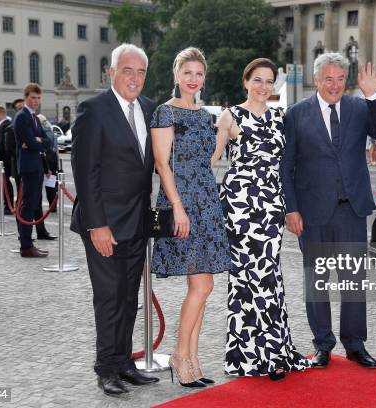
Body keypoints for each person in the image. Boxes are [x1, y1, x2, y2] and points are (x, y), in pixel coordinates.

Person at [281, 53, 376, 370]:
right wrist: (291, 209)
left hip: (352, 211)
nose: (335, 85)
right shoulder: (296, 114)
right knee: (317, 282)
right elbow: (285, 167)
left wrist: (373, 95)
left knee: (353, 282)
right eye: (328, 79)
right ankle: (322, 345)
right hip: (312, 213)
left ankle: (355, 345)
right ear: (316, 80)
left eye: (341, 79)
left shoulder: (360, 108)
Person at [70, 43, 160, 396]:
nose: (134, 78)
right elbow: (85, 170)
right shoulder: (94, 110)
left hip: (136, 222)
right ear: (111, 72)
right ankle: (106, 368)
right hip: (104, 224)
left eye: (140, 72)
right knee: (109, 297)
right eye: (127, 70)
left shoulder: (151, 109)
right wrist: (97, 225)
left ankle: (124, 362)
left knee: (128, 297)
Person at [215, 58, 310, 381]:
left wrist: (290, 204)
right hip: (240, 207)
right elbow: (211, 158)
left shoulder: (280, 117)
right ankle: (246, 356)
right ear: (246, 82)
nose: (263, 87)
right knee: (244, 278)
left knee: (268, 276)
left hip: (270, 206)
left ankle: (274, 352)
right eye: (258, 80)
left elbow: (288, 164)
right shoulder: (231, 115)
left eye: (269, 81)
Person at [150, 47, 231, 388]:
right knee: (203, 284)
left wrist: (223, 132)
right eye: (188, 73)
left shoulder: (202, 114)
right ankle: (180, 357)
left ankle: (192, 359)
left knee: (203, 286)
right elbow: (162, 163)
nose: (193, 79)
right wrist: (178, 208)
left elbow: (208, 160)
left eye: (199, 74)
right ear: (176, 75)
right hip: (181, 203)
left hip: (208, 203)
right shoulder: (165, 113)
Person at [14, 83, 55, 257]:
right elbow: (30, 142)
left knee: (32, 205)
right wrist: (37, 142)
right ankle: (26, 245)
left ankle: (28, 242)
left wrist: (37, 141)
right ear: (26, 98)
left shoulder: (35, 118)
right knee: (28, 206)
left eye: (38, 98)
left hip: (36, 165)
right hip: (29, 167)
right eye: (33, 97)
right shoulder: (22, 117)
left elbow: (48, 140)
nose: (36, 101)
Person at [0, 105, 15, 214]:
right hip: (3, 160)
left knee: (5, 183)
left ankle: (8, 207)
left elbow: (1, 145)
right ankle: (6, 206)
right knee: (4, 183)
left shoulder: (5, 126)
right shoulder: (5, 125)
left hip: (4, 160)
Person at [37, 114, 58, 212]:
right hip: (52, 159)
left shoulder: (39, 132)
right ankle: (52, 206)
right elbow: (55, 148)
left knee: (39, 184)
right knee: (51, 185)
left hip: (43, 159)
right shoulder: (51, 131)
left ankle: (38, 206)